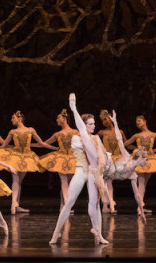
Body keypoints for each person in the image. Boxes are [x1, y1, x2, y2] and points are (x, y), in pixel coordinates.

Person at [49, 96, 106, 245]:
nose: (94, 126)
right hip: (81, 170)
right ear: (84, 125)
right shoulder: (76, 138)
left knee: (95, 204)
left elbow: (101, 155)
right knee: (69, 203)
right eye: (91, 124)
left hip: (93, 172)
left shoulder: (96, 138)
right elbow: (89, 151)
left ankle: (99, 235)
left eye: (94, 123)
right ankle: (56, 234)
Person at [0, 110, 57, 214]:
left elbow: (42, 143)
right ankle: (13, 204)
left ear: (19, 118)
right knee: (16, 180)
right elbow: (4, 145)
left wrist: (55, 148)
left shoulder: (30, 130)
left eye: (13, 118)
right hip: (15, 158)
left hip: (26, 158)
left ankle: (16, 205)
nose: (12, 120)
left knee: (18, 182)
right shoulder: (12, 132)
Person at [123, 115, 156, 215]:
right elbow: (125, 144)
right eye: (136, 122)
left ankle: (140, 205)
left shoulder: (154, 135)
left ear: (144, 121)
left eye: (139, 121)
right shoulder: (136, 136)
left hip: (151, 159)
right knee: (142, 182)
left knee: (143, 183)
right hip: (139, 157)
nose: (137, 123)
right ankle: (140, 207)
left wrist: (154, 150)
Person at [39, 109, 78, 210]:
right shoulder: (57, 134)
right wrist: (30, 144)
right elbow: (43, 144)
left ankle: (63, 205)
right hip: (60, 159)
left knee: (69, 184)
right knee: (64, 182)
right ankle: (67, 206)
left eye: (58, 117)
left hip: (72, 159)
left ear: (64, 119)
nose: (56, 120)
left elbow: (83, 144)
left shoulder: (75, 132)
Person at [97, 109, 128, 213]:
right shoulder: (102, 132)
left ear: (110, 119)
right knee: (107, 181)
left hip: (118, 158)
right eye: (102, 121)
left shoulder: (120, 131)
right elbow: (94, 141)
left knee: (108, 181)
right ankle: (108, 204)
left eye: (105, 119)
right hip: (107, 159)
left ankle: (109, 203)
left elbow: (126, 144)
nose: (104, 122)